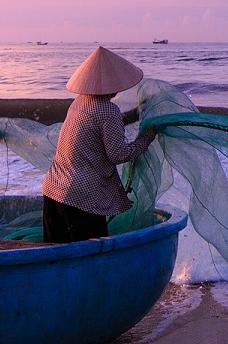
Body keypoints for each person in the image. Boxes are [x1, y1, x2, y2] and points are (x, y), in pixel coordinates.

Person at [41, 45, 157, 243]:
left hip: (53, 189)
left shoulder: (79, 102)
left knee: (55, 252)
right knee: (92, 252)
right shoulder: (108, 110)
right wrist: (147, 137)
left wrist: (135, 113)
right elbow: (119, 154)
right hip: (81, 198)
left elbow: (102, 125)